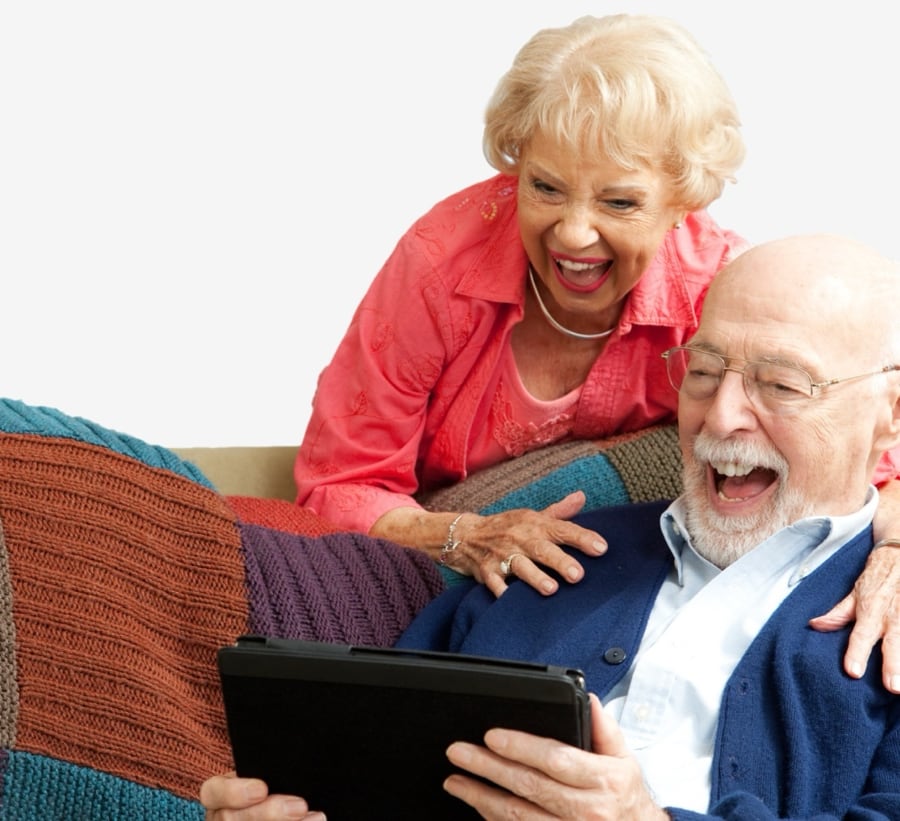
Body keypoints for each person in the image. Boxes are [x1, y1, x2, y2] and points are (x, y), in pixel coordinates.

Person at [293, 12, 900, 689]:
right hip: (446, 578)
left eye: (619, 202)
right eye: (545, 187)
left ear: (682, 202)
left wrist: (897, 547)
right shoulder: (440, 263)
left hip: (608, 593)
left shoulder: (721, 290)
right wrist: (467, 533)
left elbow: (871, 448)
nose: (574, 233)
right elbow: (339, 485)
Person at [201, 233, 900, 819]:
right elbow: (379, 761)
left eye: (782, 385)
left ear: (890, 415)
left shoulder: (888, 620)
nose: (720, 417)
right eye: (704, 371)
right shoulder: (552, 555)